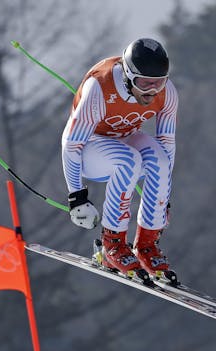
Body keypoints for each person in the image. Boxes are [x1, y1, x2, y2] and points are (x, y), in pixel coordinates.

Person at [61, 38, 178, 281]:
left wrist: (162, 199)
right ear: (128, 75)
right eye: (145, 83)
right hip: (90, 147)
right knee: (129, 160)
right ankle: (112, 245)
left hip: (125, 137)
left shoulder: (167, 93)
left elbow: (166, 142)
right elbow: (71, 144)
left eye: (159, 82)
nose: (152, 91)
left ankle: (146, 246)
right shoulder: (99, 87)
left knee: (160, 160)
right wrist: (76, 197)